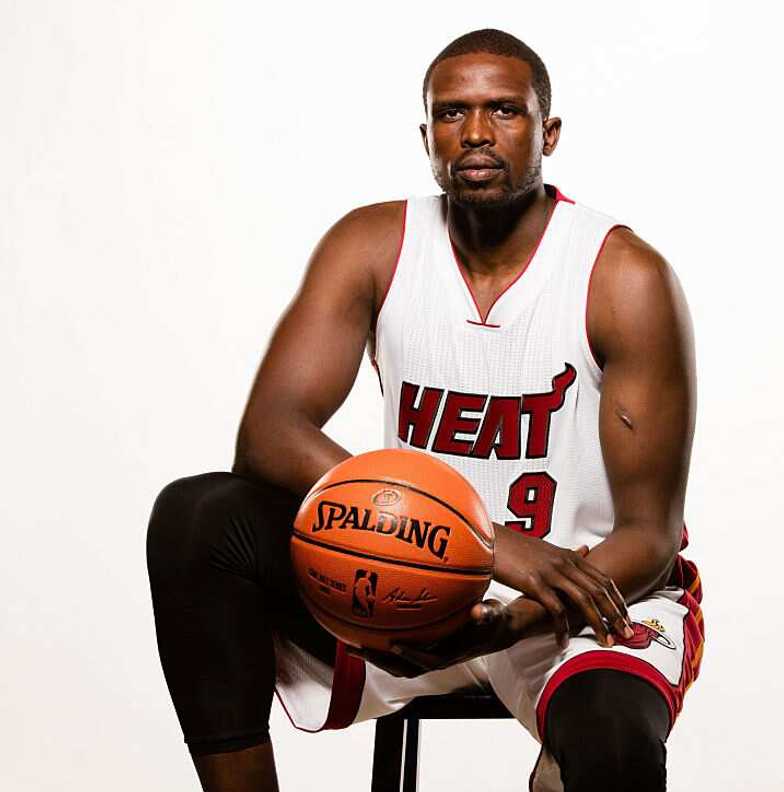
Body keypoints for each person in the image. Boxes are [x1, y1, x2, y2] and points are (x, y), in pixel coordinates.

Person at [146, 28, 703, 792]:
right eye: (451, 114)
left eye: (504, 111)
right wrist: (484, 546)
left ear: (550, 132)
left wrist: (513, 612)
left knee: (611, 749)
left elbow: (649, 535)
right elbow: (269, 433)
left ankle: (571, 745)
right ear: (426, 135)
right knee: (199, 517)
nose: (475, 133)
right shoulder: (373, 244)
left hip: (576, 597)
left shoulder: (621, 274)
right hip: (407, 584)